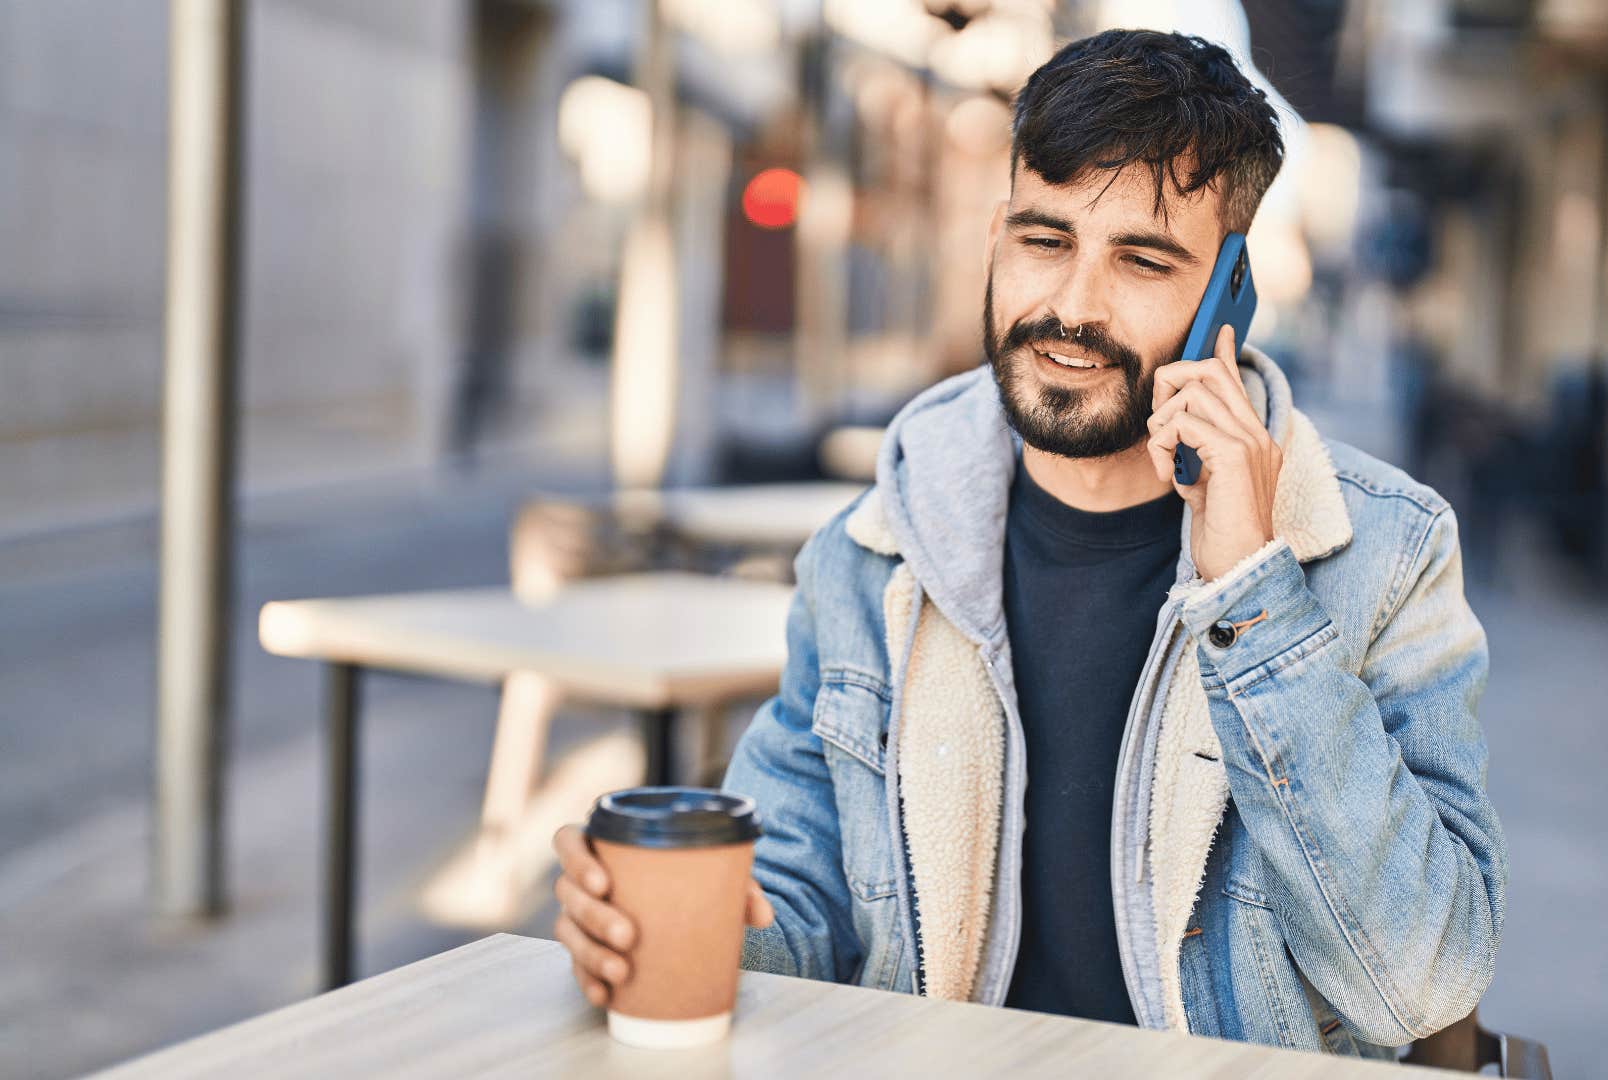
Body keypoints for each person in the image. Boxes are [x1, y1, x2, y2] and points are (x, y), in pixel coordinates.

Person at [551, 29, 1505, 1060]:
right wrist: (670, 932)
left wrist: (1254, 596)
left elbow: (1424, 984)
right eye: (1045, 241)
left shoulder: (1384, 553)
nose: (1072, 308)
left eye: (1142, 260)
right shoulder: (874, 553)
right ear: (998, 236)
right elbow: (798, 903)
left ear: (1230, 299)